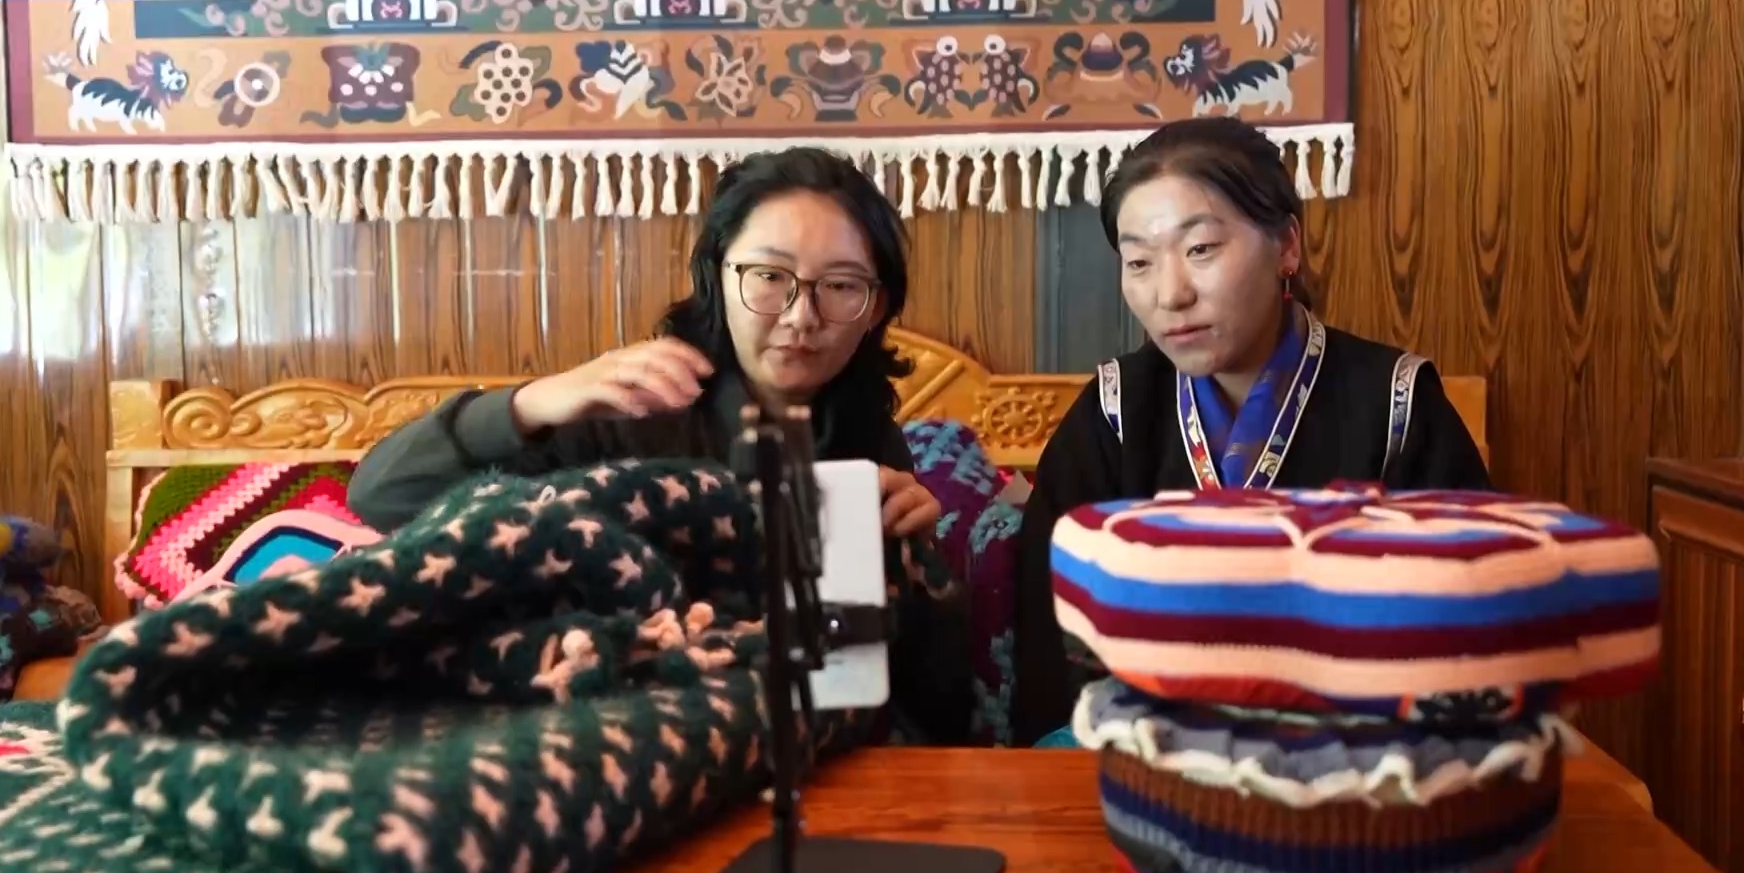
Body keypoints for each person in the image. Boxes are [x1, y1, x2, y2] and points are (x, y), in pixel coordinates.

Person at [347, 146, 971, 743]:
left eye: (840, 285)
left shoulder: (866, 439)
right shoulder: (627, 409)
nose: (801, 315)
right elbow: (383, 496)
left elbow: (924, 703)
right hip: (609, 736)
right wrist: (532, 403)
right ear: (717, 275)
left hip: (796, 752)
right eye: (769, 275)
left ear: (875, 308)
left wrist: (926, 576)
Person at [1011, 117, 1492, 746]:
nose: (1170, 294)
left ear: (1286, 245)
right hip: (1144, 759)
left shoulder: (1395, 405)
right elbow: (1053, 636)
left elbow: (1467, 622)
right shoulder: (1115, 410)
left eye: (1201, 249)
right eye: (1139, 262)